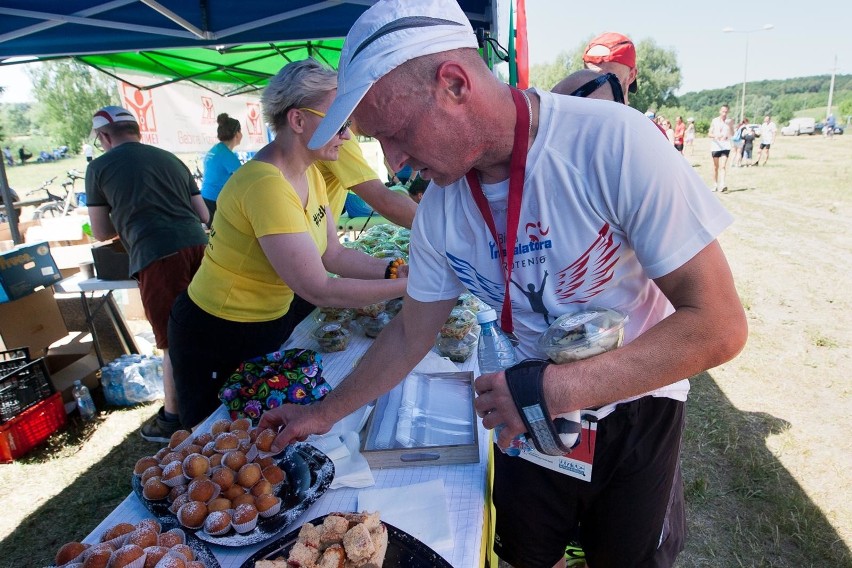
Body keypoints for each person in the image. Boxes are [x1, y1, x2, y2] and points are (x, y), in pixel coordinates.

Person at [260, 1, 748, 567]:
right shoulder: (442, 209)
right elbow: (408, 335)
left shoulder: (614, 143)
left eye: (395, 134)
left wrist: (560, 388)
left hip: (635, 407)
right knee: (525, 552)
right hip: (524, 404)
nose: (394, 165)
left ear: (454, 83)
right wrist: (323, 412)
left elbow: (719, 325)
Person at [167, 59, 408, 429]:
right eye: (340, 123)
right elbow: (319, 288)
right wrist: (409, 286)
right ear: (297, 121)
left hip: (264, 324)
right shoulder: (266, 185)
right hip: (216, 333)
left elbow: (334, 253)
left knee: (262, 439)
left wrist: (396, 271)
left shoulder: (308, 173)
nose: (348, 135)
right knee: (214, 442)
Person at [85, 105, 210, 443]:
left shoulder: (99, 167)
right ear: (136, 129)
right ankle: (216, 395)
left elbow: (99, 232)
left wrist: (130, 214)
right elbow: (202, 213)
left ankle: (172, 418)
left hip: (157, 253)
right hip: (199, 247)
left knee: (172, 339)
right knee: (209, 324)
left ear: (105, 137)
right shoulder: (170, 158)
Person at [200, 113, 243, 224]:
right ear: (237, 134)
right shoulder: (227, 155)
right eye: (241, 131)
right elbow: (245, 178)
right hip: (215, 201)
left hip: (206, 199)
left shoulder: (216, 149)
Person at [581, 32, 638, 105]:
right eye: (589, 78)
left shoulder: (634, 116)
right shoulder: (567, 114)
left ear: (631, 76)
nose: (595, 87)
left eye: (607, 78)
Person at [709, 105, 733, 191]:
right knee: (716, 167)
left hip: (725, 145)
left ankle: (722, 184)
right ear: (720, 111)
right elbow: (709, 134)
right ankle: (715, 184)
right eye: (723, 111)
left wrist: (730, 126)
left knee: (723, 166)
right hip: (716, 146)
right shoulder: (714, 121)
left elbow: (732, 134)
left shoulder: (729, 121)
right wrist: (716, 135)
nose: (724, 113)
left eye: (726, 112)